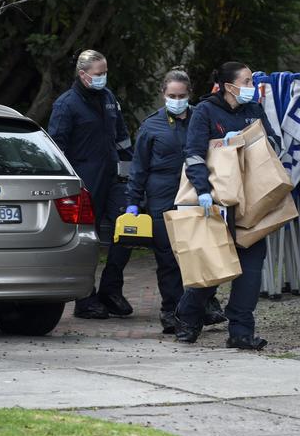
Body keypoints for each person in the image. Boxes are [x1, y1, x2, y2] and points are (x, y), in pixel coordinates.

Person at [174, 61, 282, 350]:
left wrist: (251, 143)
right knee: (213, 267)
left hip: (252, 203)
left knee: (250, 271)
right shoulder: (206, 112)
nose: (252, 86)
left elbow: (275, 144)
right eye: (247, 81)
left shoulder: (254, 111)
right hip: (217, 202)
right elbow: (194, 155)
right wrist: (203, 190)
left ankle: (241, 332)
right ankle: (188, 318)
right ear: (229, 86)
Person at [125, 68, 226, 333]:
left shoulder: (202, 119)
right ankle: (171, 311)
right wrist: (133, 201)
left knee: (201, 254)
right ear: (163, 95)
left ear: (189, 94)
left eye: (181, 95)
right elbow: (139, 167)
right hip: (162, 198)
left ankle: (203, 304)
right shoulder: (151, 126)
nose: (177, 99)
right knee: (168, 260)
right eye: (172, 95)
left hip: (196, 195)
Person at [48, 49, 134, 319]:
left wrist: (129, 170)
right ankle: (85, 298)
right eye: (99, 74)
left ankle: (111, 289)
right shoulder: (66, 104)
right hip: (84, 180)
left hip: (113, 176)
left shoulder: (108, 98)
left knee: (127, 229)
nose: (103, 78)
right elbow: (56, 149)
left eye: (105, 72)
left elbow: (122, 137)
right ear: (83, 74)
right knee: (88, 238)